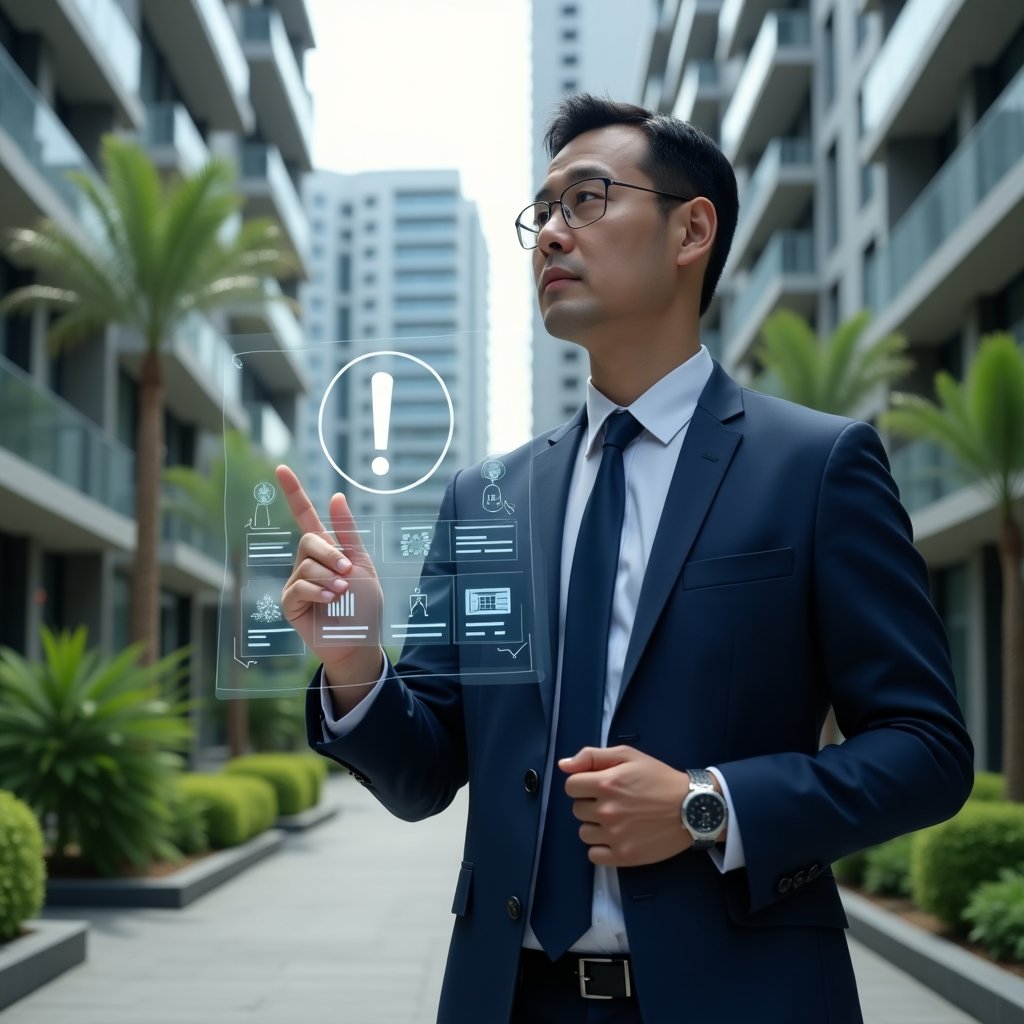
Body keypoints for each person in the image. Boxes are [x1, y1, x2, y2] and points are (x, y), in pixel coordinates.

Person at [277, 94, 973, 1023]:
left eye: (587, 200)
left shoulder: (815, 467)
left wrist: (705, 804)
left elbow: (928, 752)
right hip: (508, 999)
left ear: (691, 230)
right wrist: (357, 664)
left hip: (742, 998)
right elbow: (425, 774)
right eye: (543, 212)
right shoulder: (487, 497)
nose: (552, 234)